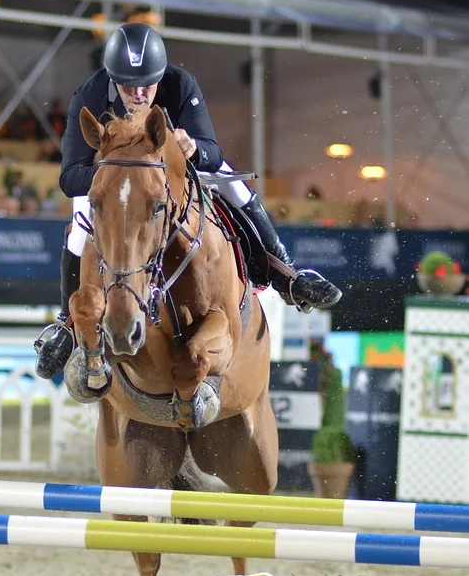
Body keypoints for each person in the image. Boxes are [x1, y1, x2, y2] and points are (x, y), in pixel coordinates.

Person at [35, 23, 342, 380]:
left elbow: (213, 152)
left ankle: (286, 276)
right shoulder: (87, 95)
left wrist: (194, 147)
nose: (138, 93)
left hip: (176, 180)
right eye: (127, 85)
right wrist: (122, 177)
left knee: (235, 185)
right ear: (112, 78)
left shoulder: (180, 85)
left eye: (147, 84)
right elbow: (70, 176)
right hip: (114, 192)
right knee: (79, 230)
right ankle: (67, 323)